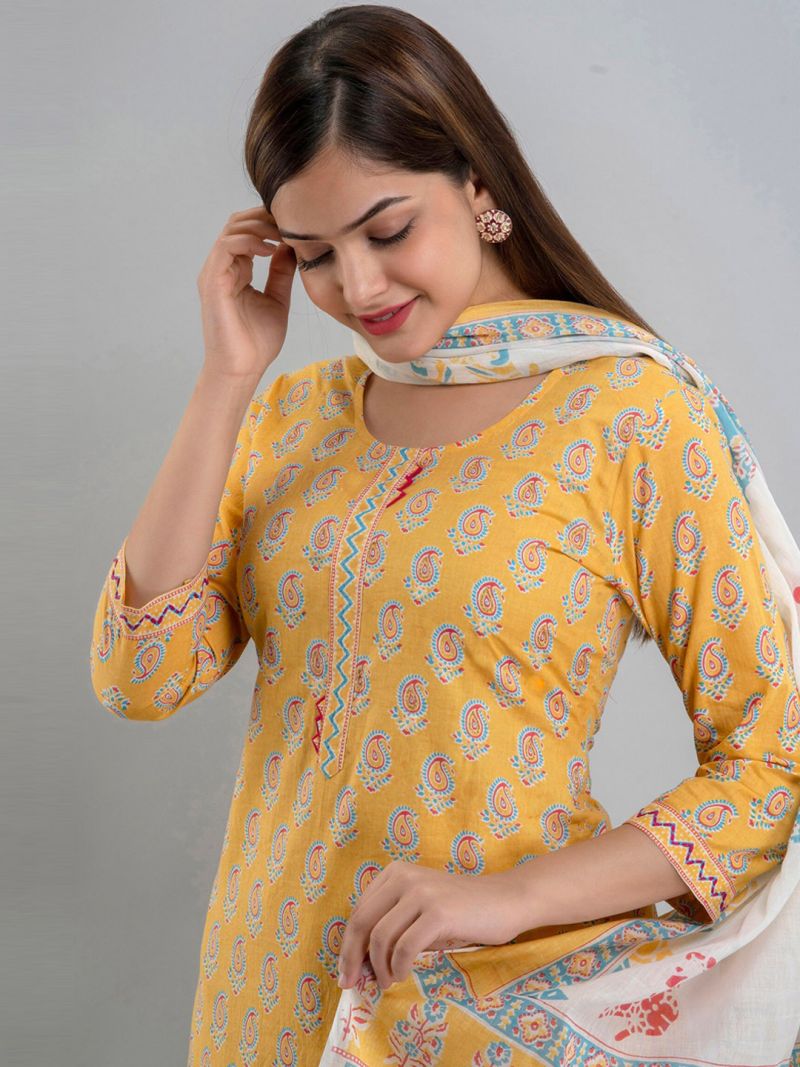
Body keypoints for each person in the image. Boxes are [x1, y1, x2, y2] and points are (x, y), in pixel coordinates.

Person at [88, 6, 800, 1065]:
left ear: (476, 184)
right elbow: (138, 676)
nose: (359, 287)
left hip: (477, 1008)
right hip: (261, 997)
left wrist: (511, 896)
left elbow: (771, 764)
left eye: (386, 231)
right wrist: (226, 379)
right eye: (314, 255)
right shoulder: (296, 417)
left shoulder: (631, 417)